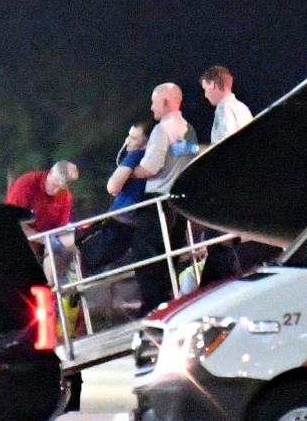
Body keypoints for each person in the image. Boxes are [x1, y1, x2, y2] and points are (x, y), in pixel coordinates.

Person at [3, 160, 91, 421]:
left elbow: (60, 231)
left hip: (45, 252)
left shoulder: (63, 198)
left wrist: (57, 243)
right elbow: (13, 224)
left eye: (60, 189)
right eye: (53, 185)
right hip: (19, 246)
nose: (55, 191)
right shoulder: (27, 184)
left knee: (66, 248)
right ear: (48, 176)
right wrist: (44, 240)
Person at [132, 82, 198, 315]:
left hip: (158, 204)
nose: (151, 108)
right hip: (179, 205)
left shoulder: (162, 130)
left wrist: (131, 170)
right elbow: (187, 156)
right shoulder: (188, 128)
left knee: (145, 257)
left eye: (154, 102)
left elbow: (151, 167)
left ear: (166, 103)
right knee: (169, 259)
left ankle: (152, 310)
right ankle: (168, 305)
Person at [78, 121, 151, 272]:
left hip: (120, 219)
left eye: (134, 138)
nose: (128, 141)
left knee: (86, 257)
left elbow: (112, 186)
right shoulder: (153, 158)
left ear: (146, 142)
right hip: (134, 223)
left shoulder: (136, 155)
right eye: (129, 136)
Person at [199, 65, 253, 143]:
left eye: (205, 89)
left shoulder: (223, 107)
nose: (205, 95)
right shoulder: (243, 107)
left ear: (212, 84)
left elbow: (226, 143)